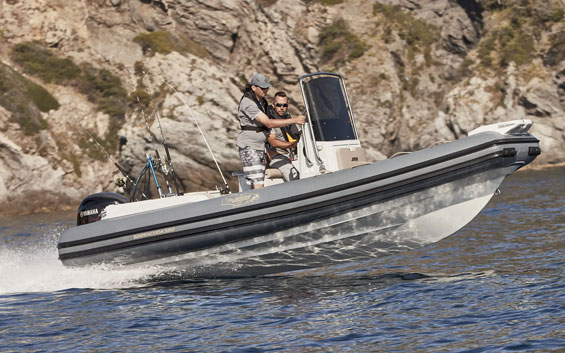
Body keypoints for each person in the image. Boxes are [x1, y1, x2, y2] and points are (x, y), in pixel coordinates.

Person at [237, 73, 306, 189]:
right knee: (258, 182)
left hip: (258, 146)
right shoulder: (248, 103)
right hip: (250, 146)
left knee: (259, 182)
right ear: (253, 87)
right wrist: (294, 120)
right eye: (262, 87)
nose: (266, 90)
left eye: (267, 87)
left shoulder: (261, 102)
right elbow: (268, 123)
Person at [266, 91, 302, 182]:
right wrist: (292, 144)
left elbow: (301, 134)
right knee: (293, 174)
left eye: (284, 105)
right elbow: (272, 142)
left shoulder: (289, 119)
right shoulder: (269, 121)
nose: (282, 108)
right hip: (277, 157)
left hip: (293, 155)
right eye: (279, 105)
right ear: (273, 105)